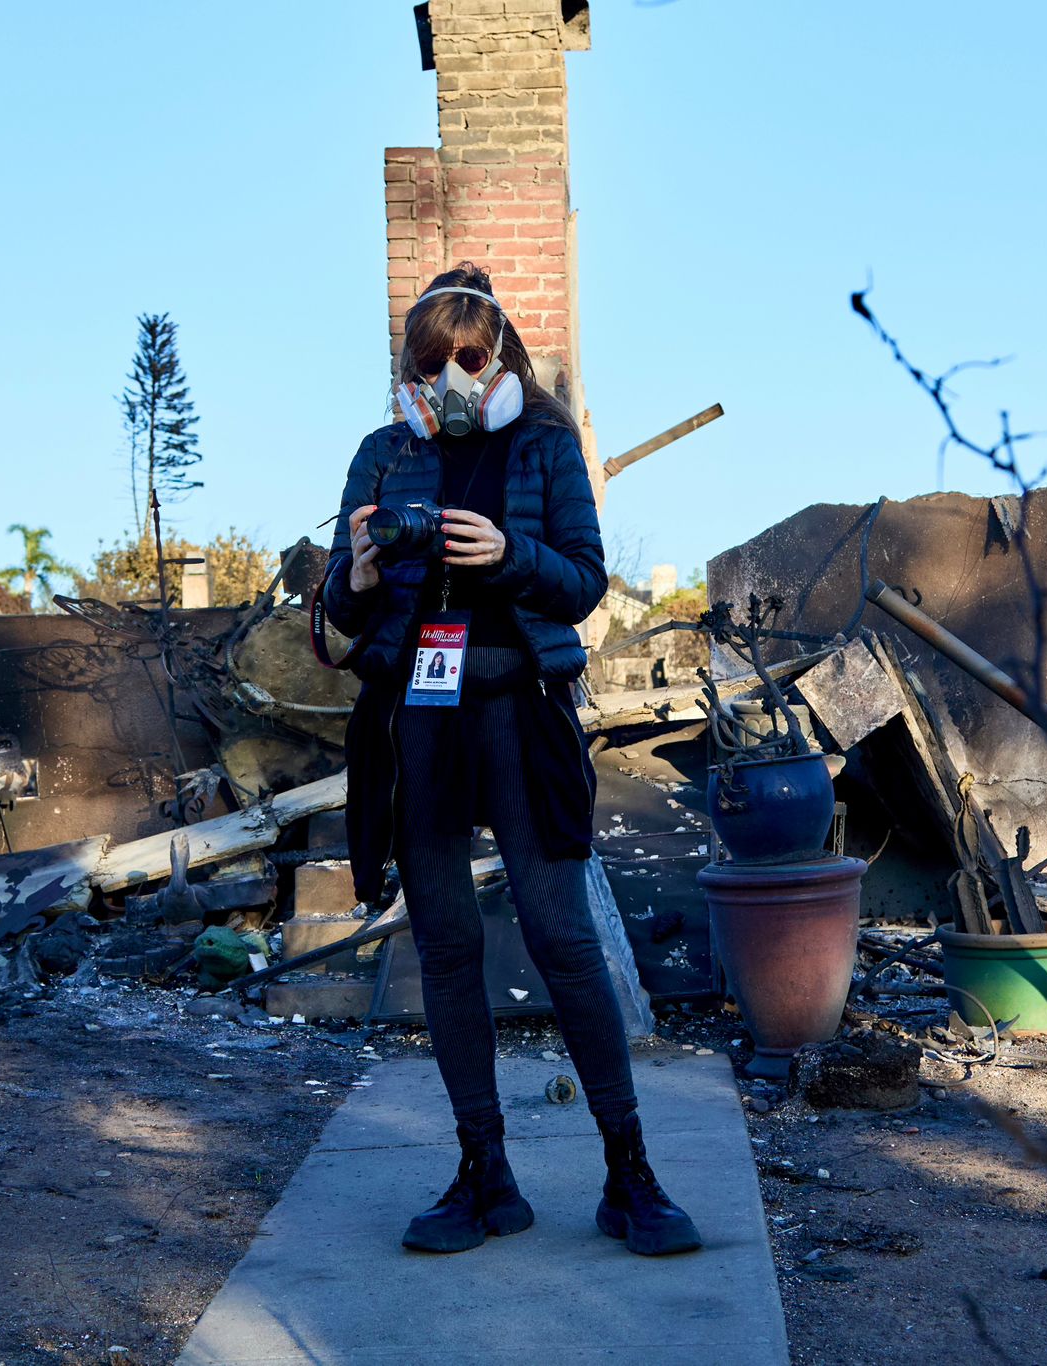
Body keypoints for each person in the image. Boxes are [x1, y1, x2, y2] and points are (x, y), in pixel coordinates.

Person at [321, 263, 702, 1258]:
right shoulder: (380, 455)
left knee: (561, 936)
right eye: (428, 361)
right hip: (416, 716)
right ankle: (482, 1174)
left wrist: (507, 555)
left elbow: (582, 580)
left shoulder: (542, 445)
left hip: (518, 708)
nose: (449, 376)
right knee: (445, 945)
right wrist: (358, 573)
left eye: (467, 356)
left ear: (500, 359)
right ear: (407, 371)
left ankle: (629, 1173)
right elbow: (337, 608)